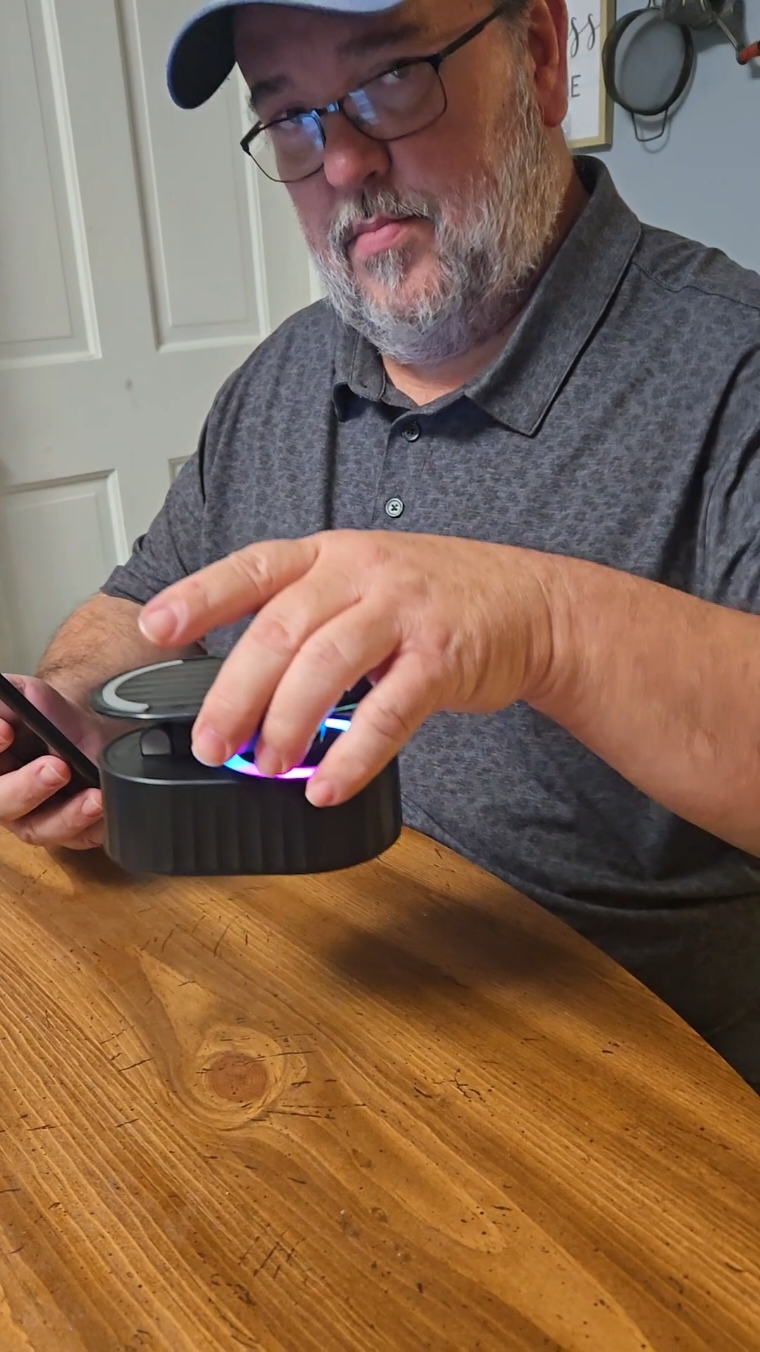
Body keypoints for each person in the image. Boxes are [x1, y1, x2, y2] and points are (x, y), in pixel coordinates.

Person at [2, 0, 760, 1090]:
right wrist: (76, 707)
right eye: (294, 120)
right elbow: (142, 601)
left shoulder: (730, 367)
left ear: (541, 57)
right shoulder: (281, 377)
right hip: (295, 1039)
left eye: (394, 77)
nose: (345, 161)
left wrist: (543, 626)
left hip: (616, 1121)